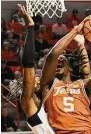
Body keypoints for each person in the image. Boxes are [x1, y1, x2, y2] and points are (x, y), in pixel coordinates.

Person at [41, 11, 91, 134]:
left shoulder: (82, 85)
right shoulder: (48, 85)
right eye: (57, 60)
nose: (59, 59)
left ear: (70, 68)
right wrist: (75, 31)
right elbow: (52, 56)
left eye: (63, 59)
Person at [16, 4, 55, 134]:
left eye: (38, 79)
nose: (37, 81)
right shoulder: (28, 101)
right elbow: (28, 64)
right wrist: (31, 28)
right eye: (35, 79)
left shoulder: (48, 104)